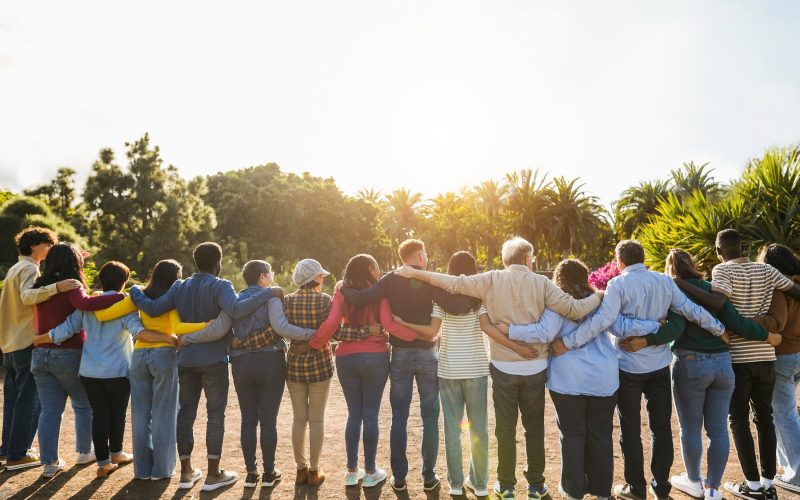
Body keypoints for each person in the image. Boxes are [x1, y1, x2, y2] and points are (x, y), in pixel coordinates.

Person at [395, 237, 602, 499]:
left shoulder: (491, 279)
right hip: (534, 366)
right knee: (534, 427)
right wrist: (601, 295)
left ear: (506, 260)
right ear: (528, 259)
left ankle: (504, 486)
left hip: (501, 367)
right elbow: (574, 309)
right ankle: (536, 485)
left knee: (503, 428)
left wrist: (415, 273)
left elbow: (455, 283)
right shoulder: (542, 283)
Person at [539, 241, 725, 500]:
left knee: (630, 429)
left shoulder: (617, 285)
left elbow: (607, 322)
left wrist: (568, 343)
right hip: (659, 365)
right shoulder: (664, 281)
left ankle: (636, 487)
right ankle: (661, 487)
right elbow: (691, 311)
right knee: (661, 428)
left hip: (627, 367)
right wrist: (718, 328)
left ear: (619, 261)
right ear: (643, 257)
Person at [621, 249, 782, 500]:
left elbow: (675, 328)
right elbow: (738, 322)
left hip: (691, 364)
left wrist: (648, 339)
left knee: (691, 429)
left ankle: (694, 481)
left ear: (670, 270)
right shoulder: (712, 290)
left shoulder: (675, 292)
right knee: (718, 430)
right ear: (692, 265)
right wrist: (767, 336)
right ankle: (714, 489)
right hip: (723, 365)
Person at [497, 258, 661, 500]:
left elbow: (543, 332)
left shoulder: (557, 303)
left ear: (558, 279)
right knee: (601, 434)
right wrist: (655, 325)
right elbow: (622, 326)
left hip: (567, 380)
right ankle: (602, 491)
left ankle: (574, 491)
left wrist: (509, 329)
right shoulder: (601, 301)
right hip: (603, 378)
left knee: (572, 435)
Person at [129, 242, 278, 491]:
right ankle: (213, 475)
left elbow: (153, 308)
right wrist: (269, 292)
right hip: (214, 361)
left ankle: (186, 473)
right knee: (215, 416)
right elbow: (237, 309)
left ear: (196, 262)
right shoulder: (221, 286)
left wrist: (134, 290)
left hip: (185, 360)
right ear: (218, 263)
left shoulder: (180, 285)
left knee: (185, 414)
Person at [338, 239, 477, 492]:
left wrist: (341, 288)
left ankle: (399, 478)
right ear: (421, 255)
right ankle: (428, 475)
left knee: (399, 417)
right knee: (430, 417)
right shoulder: (429, 279)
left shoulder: (391, 279)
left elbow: (362, 297)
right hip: (427, 354)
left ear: (402, 257)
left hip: (400, 354)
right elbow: (456, 306)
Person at [396, 251, 536, 498]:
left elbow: (431, 332)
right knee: (478, 430)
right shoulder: (479, 297)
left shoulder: (440, 299)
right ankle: (480, 485)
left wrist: (402, 323)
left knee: (452, 430)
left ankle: (456, 484)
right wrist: (518, 347)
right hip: (476, 371)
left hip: (449, 371)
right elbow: (487, 328)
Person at [177, 260, 318, 489]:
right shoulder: (271, 297)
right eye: (270, 273)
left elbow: (218, 330)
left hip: (241, 363)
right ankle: (269, 472)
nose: (272, 277)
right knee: (268, 420)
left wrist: (186, 339)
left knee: (248, 419)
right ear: (263, 277)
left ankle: (251, 474)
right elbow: (281, 328)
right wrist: (313, 334)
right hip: (270, 361)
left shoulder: (233, 300)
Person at [307, 254, 424, 489]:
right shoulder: (379, 292)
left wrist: (315, 343)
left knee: (353, 415)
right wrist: (419, 336)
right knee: (370, 415)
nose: (379, 272)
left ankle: (351, 471)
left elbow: (331, 324)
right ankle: (371, 472)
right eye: (377, 267)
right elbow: (389, 325)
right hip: (375, 357)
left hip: (346, 358)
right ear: (370, 269)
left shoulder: (341, 291)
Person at [705, 230, 800, 500]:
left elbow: (718, 305)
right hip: (767, 356)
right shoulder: (767, 271)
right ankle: (769, 483)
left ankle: (754, 486)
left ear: (718, 250)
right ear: (743, 246)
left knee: (738, 419)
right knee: (765, 418)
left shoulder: (721, 270)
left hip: (738, 358)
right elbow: (794, 290)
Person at [94, 259, 205, 481]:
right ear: (175, 277)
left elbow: (102, 315)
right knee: (164, 415)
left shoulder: (139, 297)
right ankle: (162, 470)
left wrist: (97, 297)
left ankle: (142, 471)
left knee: (141, 414)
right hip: (164, 356)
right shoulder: (172, 300)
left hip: (139, 357)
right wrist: (207, 325)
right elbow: (179, 328)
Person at [36, 261, 144, 477]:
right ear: (124, 282)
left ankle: (103, 462)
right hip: (117, 372)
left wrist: (38, 339)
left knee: (99, 414)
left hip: (89, 372)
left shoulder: (88, 306)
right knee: (117, 414)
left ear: (101, 281)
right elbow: (137, 330)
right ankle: (117, 452)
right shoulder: (124, 306)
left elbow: (66, 329)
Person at [0, 227, 80, 471]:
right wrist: (58, 287)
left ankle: (8, 449)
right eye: (49, 245)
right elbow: (27, 296)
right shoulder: (29, 268)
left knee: (13, 400)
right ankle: (18, 454)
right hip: (25, 342)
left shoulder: (15, 268)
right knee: (29, 400)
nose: (51, 249)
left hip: (10, 343)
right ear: (35, 245)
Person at [757, 244, 800, 495]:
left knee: (784, 416)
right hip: (798, 356)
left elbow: (778, 323)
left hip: (784, 356)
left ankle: (796, 473)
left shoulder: (778, 287)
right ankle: (789, 468)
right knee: (785, 414)